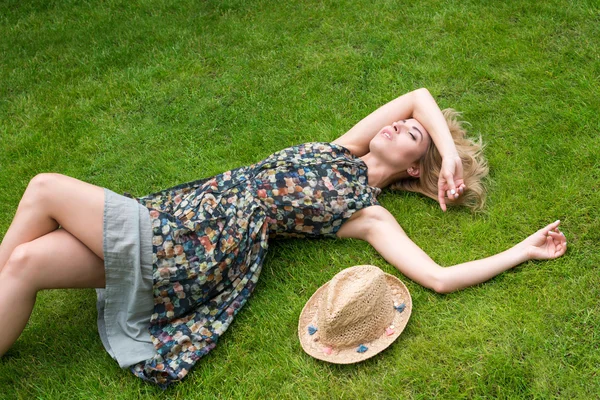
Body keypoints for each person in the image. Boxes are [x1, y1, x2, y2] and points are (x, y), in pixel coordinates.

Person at [0, 88, 567, 386]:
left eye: (412, 135)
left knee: (45, 188)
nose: (397, 122)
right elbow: (417, 93)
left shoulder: (365, 212)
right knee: (25, 263)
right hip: (182, 212)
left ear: (415, 168)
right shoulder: (339, 149)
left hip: (200, 241)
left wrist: (523, 249)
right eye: (402, 123)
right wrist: (441, 146)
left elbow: (439, 279)